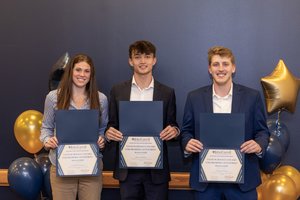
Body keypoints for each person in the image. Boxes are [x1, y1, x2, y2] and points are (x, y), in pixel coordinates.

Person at [181, 46, 270, 200]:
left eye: (225, 64)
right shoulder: (194, 98)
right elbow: (186, 131)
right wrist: (187, 143)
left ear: (233, 68)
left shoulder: (252, 97)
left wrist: (258, 144)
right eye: (216, 64)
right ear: (209, 69)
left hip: (243, 183)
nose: (220, 69)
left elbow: (262, 132)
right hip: (206, 184)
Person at [105, 40, 179, 200]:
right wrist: (109, 133)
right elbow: (111, 125)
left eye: (147, 56)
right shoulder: (118, 91)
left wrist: (174, 131)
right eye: (137, 57)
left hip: (156, 172)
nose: (143, 61)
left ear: (154, 60)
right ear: (130, 61)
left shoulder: (167, 92)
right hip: (128, 171)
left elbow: (173, 125)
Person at [40, 54, 108, 200]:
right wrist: (47, 140)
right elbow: (46, 127)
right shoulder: (53, 97)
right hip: (61, 167)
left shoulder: (101, 99)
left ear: (91, 74)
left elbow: (103, 129)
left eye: (86, 71)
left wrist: (102, 139)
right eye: (78, 70)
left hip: (91, 169)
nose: (82, 75)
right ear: (70, 71)